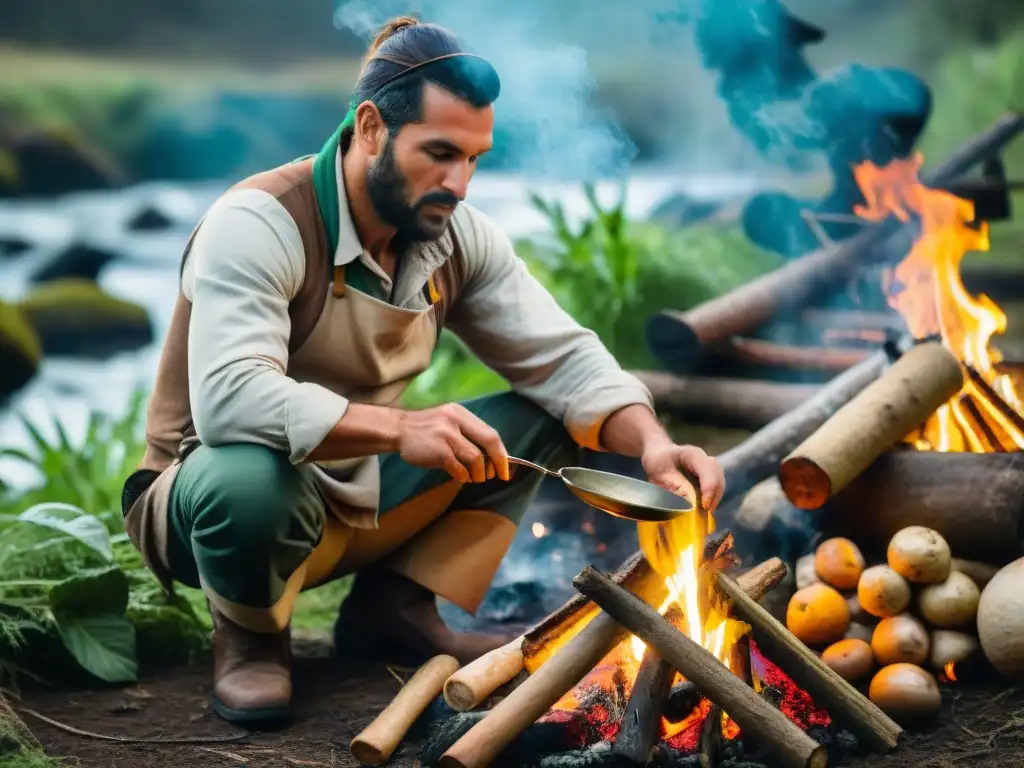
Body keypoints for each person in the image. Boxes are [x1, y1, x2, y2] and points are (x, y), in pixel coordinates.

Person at [120, 16, 725, 726]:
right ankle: (251, 635)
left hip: (357, 488)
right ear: (371, 127)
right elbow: (229, 402)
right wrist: (401, 428)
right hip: (215, 502)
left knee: (542, 417)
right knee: (250, 477)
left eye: (474, 158)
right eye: (440, 153)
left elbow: (562, 359)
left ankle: (395, 608)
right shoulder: (259, 222)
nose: (460, 183)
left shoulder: (450, 232)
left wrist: (652, 441)